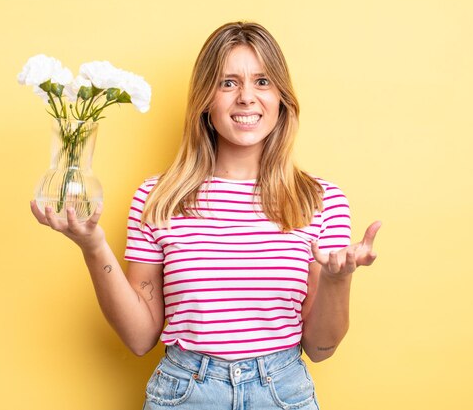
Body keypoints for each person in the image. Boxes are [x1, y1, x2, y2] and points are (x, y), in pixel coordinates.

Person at [31, 21, 381, 410]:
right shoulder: (158, 198)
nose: (247, 97)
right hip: (184, 394)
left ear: (281, 97)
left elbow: (320, 347)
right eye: (228, 83)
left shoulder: (319, 200)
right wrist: (93, 247)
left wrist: (337, 281)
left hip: (283, 393)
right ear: (204, 100)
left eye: (262, 82)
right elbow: (139, 338)